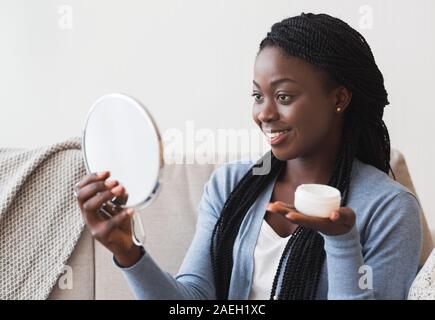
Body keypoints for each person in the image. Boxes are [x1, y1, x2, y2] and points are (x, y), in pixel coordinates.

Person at [74, 13, 422, 299]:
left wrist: (342, 241)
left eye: (284, 97)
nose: (264, 114)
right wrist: (128, 252)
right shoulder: (229, 184)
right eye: (258, 96)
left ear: (339, 98)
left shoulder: (389, 207)